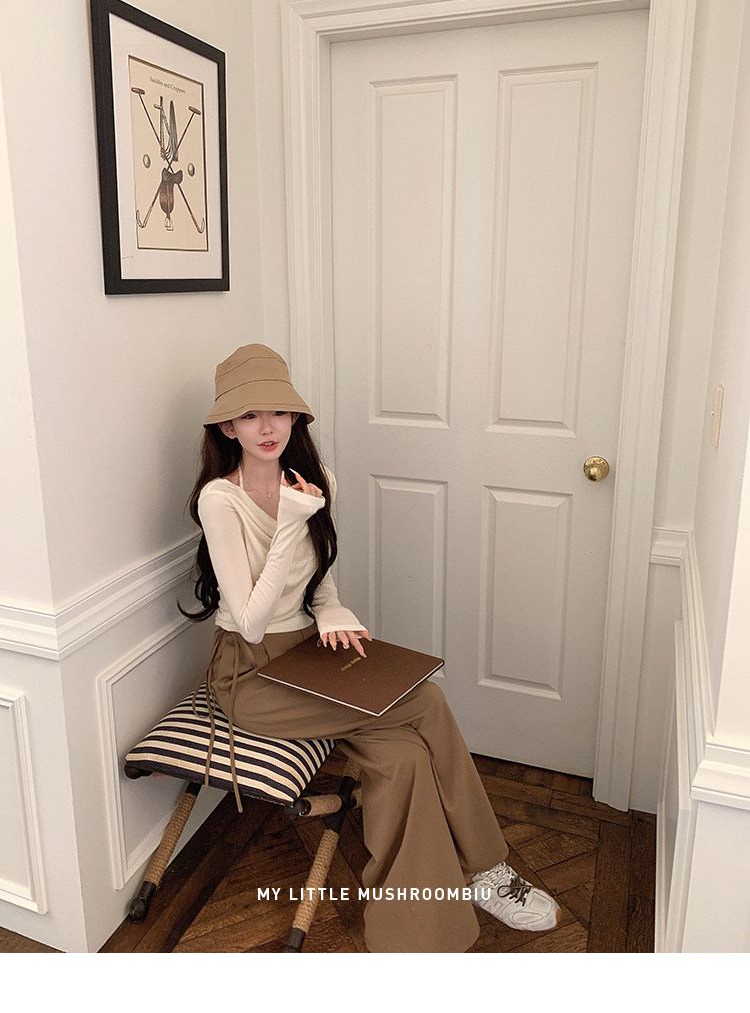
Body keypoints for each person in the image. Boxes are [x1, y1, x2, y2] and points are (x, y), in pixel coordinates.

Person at [182, 343, 560, 953]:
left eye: (279, 411)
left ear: (295, 416)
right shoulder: (219, 500)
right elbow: (250, 624)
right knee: (428, 702)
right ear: (228, 427)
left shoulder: (316, 484)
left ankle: (426, 925)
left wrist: (332, 609)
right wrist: (290, 523)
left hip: (309, 652)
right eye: (250, 415)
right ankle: (487, 866)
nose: (268, 427)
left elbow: (320, 579)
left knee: (404, 759)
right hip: (250, 676)